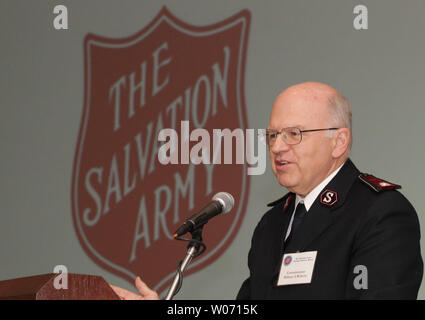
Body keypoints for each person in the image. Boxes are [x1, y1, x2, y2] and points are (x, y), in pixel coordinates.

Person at [111, 81, 423, 300]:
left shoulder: (379, 213)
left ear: (338, 141)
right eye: (272, 135)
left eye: (293, 134)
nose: (277, 147)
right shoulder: (272, 224)